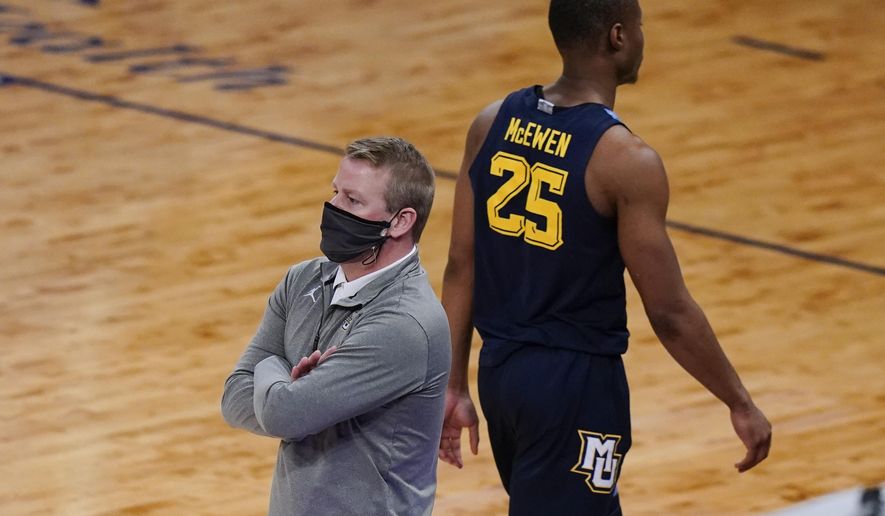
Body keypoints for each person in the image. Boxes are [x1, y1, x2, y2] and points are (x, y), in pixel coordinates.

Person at [437, 0, 772, 514]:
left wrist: (454, 382)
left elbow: (462, 265)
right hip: (575, 385)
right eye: (639, 27)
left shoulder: (491, 122)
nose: (642, 38)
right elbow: (669, 313)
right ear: (617, 37)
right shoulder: (625, 160)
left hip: (501, 373)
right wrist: (739, 401)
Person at [221, 136, 450, 516]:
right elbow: (233, 400)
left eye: (353, 200)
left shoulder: (404, 324)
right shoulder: (303, 280)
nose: (333, 207)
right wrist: (290, 394)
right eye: (335, 192)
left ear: (400, 221)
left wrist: (272, 370)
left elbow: (284, 415)